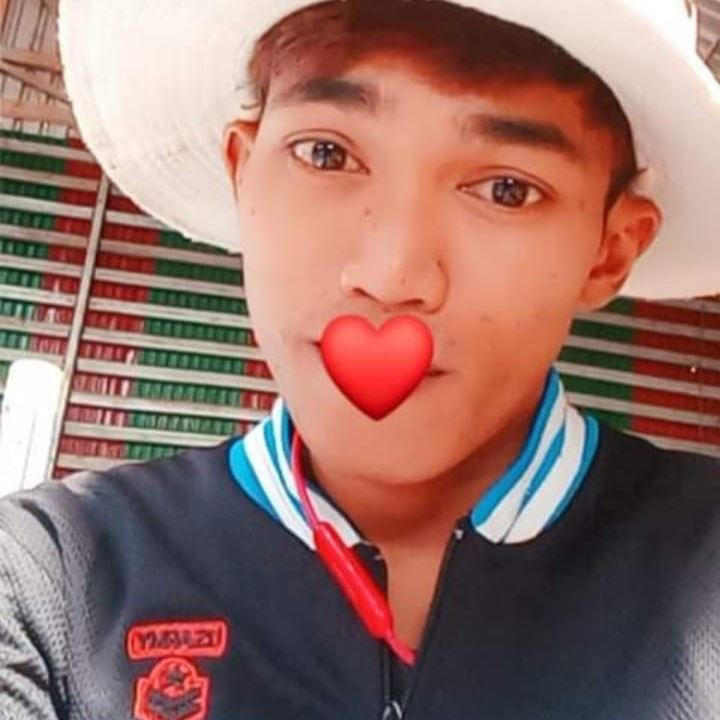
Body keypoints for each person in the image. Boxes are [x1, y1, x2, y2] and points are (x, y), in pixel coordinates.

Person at [1, 1, 719, 718]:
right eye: (326, 153)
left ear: (610, 251)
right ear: (243, 175)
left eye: (507, 190)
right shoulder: (50, 584)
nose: (392, 274)